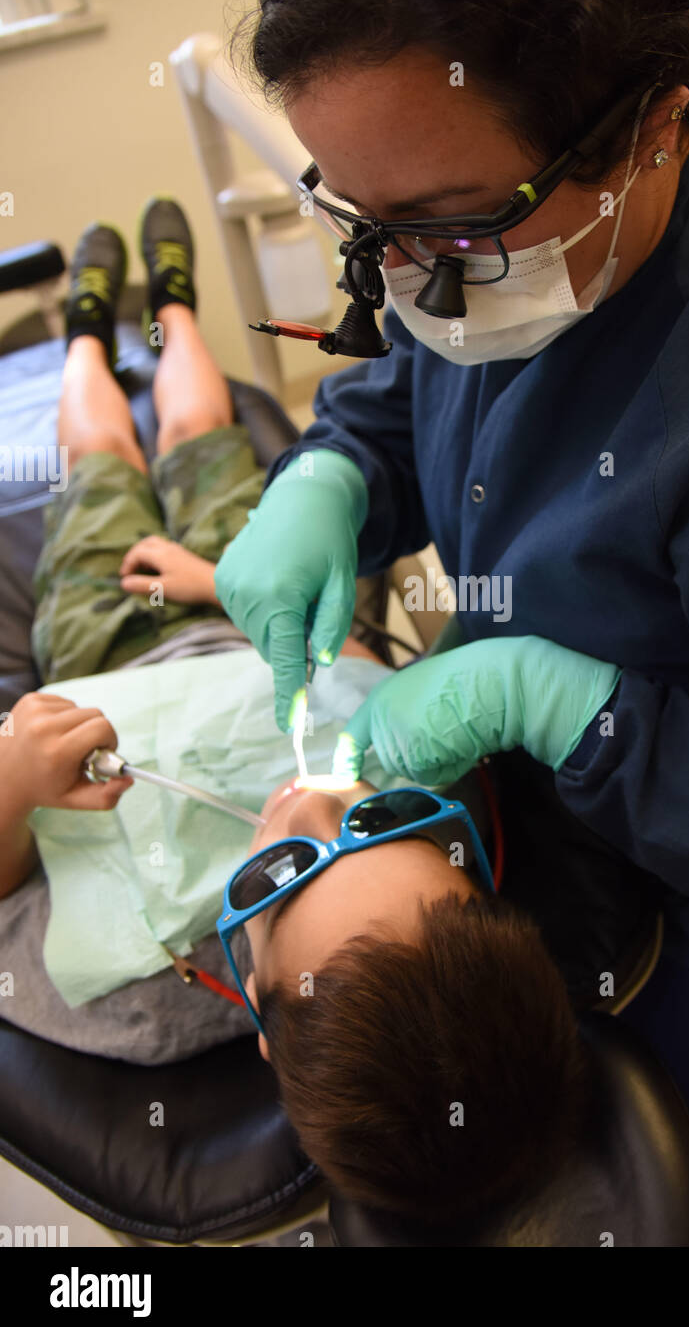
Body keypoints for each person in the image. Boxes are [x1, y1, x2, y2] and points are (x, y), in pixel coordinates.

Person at [215, 0, 689, 1187]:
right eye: (365, 223)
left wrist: (569, 715)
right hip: (553, 795)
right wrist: (333, 477)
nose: (409, 276)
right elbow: (422, 357)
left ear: (652, 126)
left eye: (449, 224)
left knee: (501, 1158)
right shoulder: (497, 245)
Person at [0, 204, 614, 1225]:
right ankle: (173, 307)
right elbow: (370, 671)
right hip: (244, 604)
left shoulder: (136, 993)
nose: (316, 800)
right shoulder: (443, 796)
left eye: (280, 874)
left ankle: (83, 331)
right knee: (203, 434)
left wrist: (18, 783)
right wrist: (223, 581)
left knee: (100, 456)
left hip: (108, 647)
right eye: (376, 819)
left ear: (262, 1021)